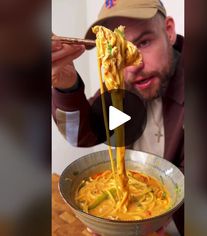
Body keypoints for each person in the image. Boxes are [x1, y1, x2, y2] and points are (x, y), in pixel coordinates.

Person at [52, 0, 184, 235]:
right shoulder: (121, 89)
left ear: (169, 31)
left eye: (144, 42)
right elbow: (80, 134)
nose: (133, 66)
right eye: (118, 50)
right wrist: (66, 85)